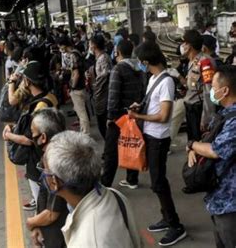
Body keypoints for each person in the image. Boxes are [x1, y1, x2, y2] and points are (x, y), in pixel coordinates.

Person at [128, 42, 187, 246]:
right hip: (150, 136)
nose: (139, 65)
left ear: (146, 61)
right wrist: (140, 106)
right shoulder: (153, 78)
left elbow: (163, 116)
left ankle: (175, 225)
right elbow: (153, 104)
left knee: (158, 182)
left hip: (159, 139)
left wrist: (138, 115)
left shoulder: (167, 82)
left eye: (140, 62)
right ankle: (166, 217)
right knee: (157, 181)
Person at [42, 131, 142, 248]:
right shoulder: (115, 195)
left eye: (45, 169)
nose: (43, 173)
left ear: (54, 181)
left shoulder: (87, 242)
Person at [186, 65, 236, 248]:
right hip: (219, 198)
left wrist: (192, 145)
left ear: (225, 90)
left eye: (214, 88)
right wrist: (196, 148)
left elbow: (215, 150)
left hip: (230, 203)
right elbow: (207, 140)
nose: (212, 92)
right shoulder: (224, 114)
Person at [4, 61, 58, 211]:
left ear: (27, 81)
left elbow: (29, 140)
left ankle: (41, 228)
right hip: (51, 150)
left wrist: (8, 135)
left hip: (38, 157)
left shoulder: (39, 106)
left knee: (42, 198)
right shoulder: (50, 97)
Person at [101, 39, 145, 189]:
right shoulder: (139, 68)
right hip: (133, 114)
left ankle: (105, 183)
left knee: (111, 151)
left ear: (117, 52)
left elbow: (113, 95)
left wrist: (110, 117)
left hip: (119, 116)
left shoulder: (118, 69)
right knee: (131, 144)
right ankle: (132, 179)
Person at [26, 108, 68, 248]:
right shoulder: (51, 154)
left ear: (43, 137)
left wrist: (31, 223)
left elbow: (52, 213)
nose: (31, 137)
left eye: (33, 133)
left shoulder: (56, 163)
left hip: (60, 234)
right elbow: (44, 193)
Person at [181, 29, 216, 142]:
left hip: (199, 111)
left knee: (199, 142)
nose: (182, 46)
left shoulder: (205, 62)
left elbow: (209, 91)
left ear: (189, 46)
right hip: (191, 109)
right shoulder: (193, 61)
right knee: (192, 142)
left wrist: (206, 118)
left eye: (184, 43)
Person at [58, 37, 89, 134]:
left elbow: (76, 74)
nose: (60, 49)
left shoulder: (72, 55)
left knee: (81, 113)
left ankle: (85, 134)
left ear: (64, 45)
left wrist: (72, 87)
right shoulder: (77, 52)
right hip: (82, 85)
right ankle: (84, 131)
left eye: (60, 46)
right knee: (81, 111)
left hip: (77, 88)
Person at [89, 34, 113, 139]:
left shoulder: (103, 58)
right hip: (101, 97)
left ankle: (110, 150)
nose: (88, 46)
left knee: (104, 126)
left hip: (103, 97)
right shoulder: (100, 57)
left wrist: (94, 85)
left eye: (89, 43)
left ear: (94, 45)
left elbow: (104, 77)